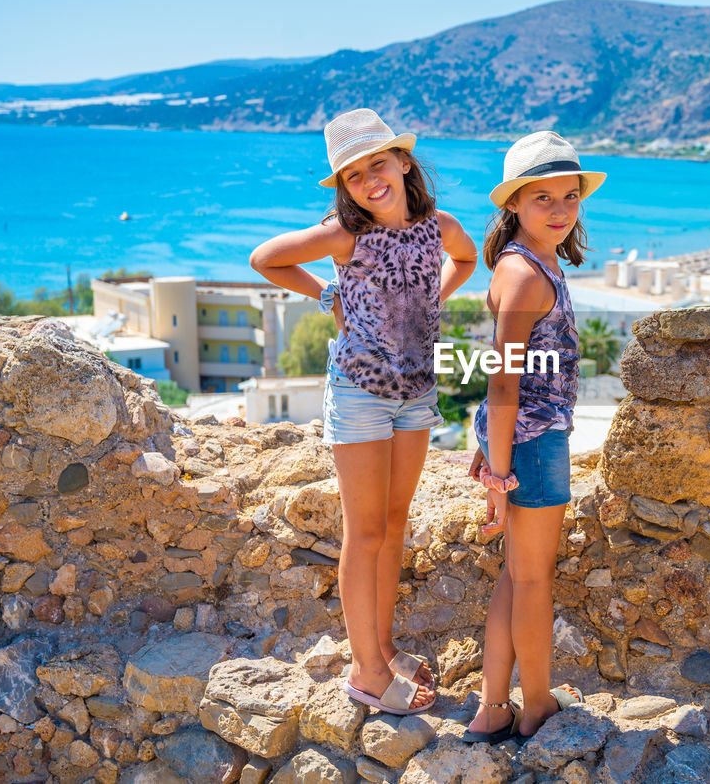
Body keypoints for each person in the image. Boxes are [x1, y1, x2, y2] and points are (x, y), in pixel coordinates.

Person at [250, 109, 477, 714]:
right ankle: (367, 672)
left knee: (396, 522)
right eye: (353, 175)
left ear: (404, 162)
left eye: (378, 163)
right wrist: (329, 293)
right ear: (344, 188)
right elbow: (264, 258)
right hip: (358, 392)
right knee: (366, 530)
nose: (369, 180)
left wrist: (430, 295)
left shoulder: (439, 227)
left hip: (417, 392)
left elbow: (468, 257)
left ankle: (382, 644)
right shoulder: (344, 236)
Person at [462, 131, 603, 744]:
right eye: (542, 196)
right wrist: (496, 472)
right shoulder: (525, 275)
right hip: (534, 443)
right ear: (513, 204)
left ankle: (493, 709)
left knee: (514, 578)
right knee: (534, 579)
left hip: (516, 437)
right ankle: (539, 704)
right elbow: (501, 381)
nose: (560, 208)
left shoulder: (520, 264)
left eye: (570, 196)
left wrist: (491, 449)